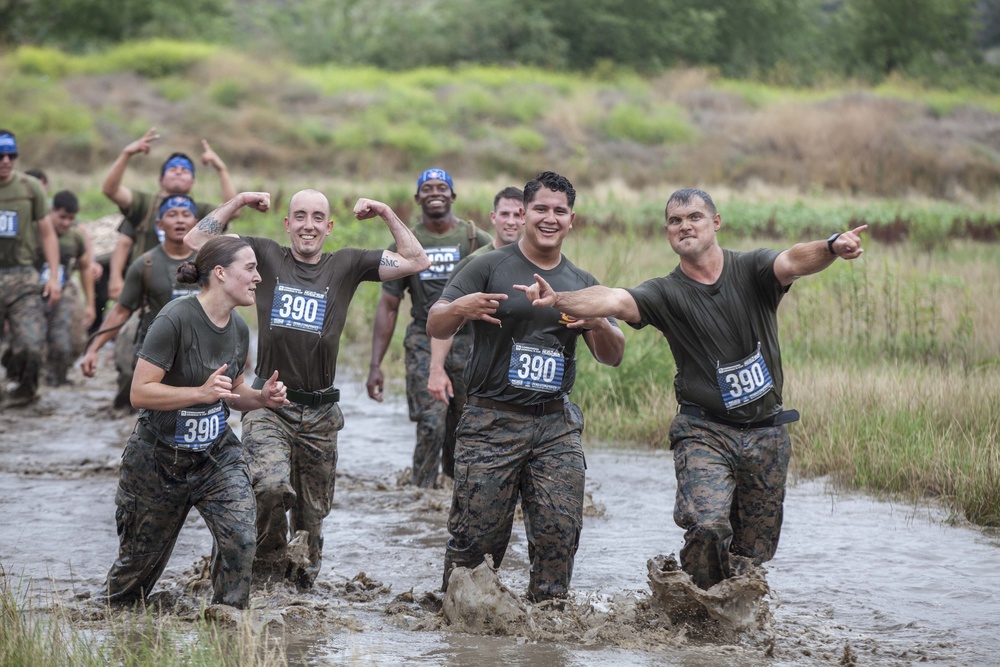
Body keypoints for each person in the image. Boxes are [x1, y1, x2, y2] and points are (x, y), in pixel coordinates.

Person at [515, 187, 868, 591]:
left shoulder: (751, 268)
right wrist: (560, 298)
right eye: (675, 221)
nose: (685, 226)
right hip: (704, 431)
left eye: (694, 217)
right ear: (667, 232)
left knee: (752, 556)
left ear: (715, 223)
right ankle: (697, 611)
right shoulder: (665, 292)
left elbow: (794, 260)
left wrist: (832, 246)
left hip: (768, 434)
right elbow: (613, 298)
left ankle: (732, 623)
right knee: (708, 524)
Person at [184, 189, 430, 589]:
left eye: (318, 217)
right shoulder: (264, 255)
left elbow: (417, 260)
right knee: (267, 486)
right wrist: (240, 201)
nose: (308, 225)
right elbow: (196, 242)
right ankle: (261, 568)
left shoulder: (347, 264)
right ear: (287, 224)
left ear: (329, 227)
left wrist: (385, 212)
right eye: (299, 216)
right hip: (269, 404)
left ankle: (301, 598)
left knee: (312, 519)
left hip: (320, 414)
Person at [427, 171, 625, 601]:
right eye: (540, 209)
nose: (549, 218)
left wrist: (595, 323)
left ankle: (547, 633)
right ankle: (459, 636)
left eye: (559, 211)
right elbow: (435, 321)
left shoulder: (581, 281)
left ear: (572, 219)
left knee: (559, 538)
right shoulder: (488, 265)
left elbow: (613, 353)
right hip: (491, 422)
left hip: (555, 426)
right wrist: (460, 307)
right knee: (475, 547)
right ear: (525, 213)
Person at [100, 232, 288, 609]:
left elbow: (232, 392)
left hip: (215, 457)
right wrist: (198, 394)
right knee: (131, 583)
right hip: (158, 460)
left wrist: (261, 398)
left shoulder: (238, 328)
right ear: (220, 272)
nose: (258, 278)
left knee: (241, 539)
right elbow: (140, 392)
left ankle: (227, 623)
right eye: (250, 269)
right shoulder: (174, 318)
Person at [368, 168, 492, 488]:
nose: (434, 192)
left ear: (453, 195)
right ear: (417, 197)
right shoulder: (407, 242)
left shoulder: (476, 239)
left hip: (471, 342)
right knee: (431, 424)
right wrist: (375, 365)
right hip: (424, 340)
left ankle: (455, 491)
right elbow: (389, 305)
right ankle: (420, 497)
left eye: (441, 187)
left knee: (465, 424)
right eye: (427, 188)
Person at [426, 186, 525, 478]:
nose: (511, 221)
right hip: (477, 366)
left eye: (518, 215)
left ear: (527, 218)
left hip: (520, 370)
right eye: (504, 214)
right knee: (463, 435)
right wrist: (436, 369)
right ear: (493, 218)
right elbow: (444, 318)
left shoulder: (543, 262)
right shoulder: (475, 263)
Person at [80, 195, 200, 409]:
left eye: (186, 214)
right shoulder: (145, 264)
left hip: (197, 351)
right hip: (155, 350)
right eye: (172, 215)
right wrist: (93, 349)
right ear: (159, 224)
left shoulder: (207, 262)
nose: (180, 220)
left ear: (195, 222)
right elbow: (120, 311)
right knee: (143, 408)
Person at [102, 127, 235, 300]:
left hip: (189, 289)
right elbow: (111, 192)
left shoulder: (200, 211)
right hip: (146, 288)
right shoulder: (144, 204)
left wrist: (221, 169)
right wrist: (126, 154)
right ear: (161, 179)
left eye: (185, 170)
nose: (179, 171)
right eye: (173, 169)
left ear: (193, 182)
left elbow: (233, 210)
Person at [0, 129, 62, 406]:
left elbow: (47, 234)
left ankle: (25, 391)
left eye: (11, 155)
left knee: (31, 346)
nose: (5, 161)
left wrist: (53, 277)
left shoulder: (29, 188)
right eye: (0, 155)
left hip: (22, 277)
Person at [36, 190, 96, 385]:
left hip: (62, 291)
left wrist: (90, 305)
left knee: (64, 343)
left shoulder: (75, 237)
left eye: (70, 218)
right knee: (30, 341)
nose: (66, 223)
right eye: (61, 217)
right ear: (51, 211)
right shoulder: (35, 230)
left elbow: (85, 267)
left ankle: (56, 379)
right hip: (32, 291)